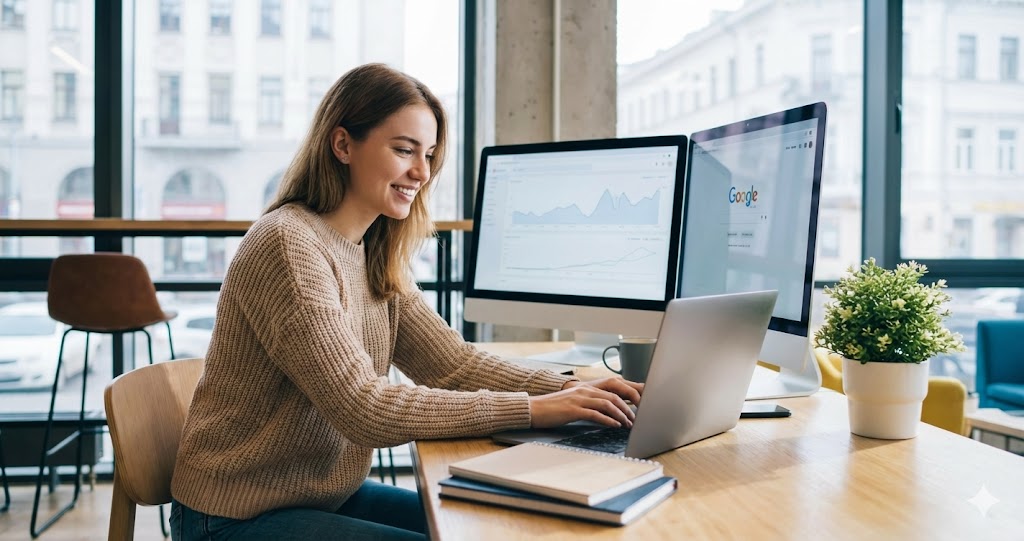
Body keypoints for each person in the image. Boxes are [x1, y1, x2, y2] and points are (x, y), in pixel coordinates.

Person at [168, 63, 644, 541]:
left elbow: (453, 365)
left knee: (495, 528)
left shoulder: (373, 247)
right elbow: (364, 407)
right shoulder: (289, 244)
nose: (423, 171)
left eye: (430, 153)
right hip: (231, 517)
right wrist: (535, 409)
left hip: (321, 496)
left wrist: (578, 387)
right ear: (343, 145)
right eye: (404, 150)